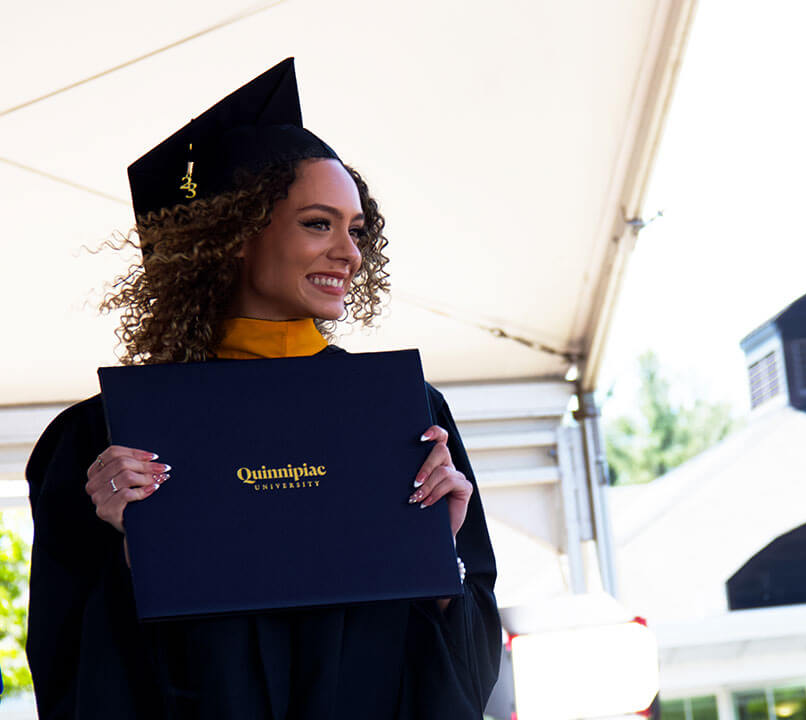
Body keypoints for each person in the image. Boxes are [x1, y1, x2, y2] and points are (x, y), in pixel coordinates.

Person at [24, 58, 501, 719]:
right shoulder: (102, 440)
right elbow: (67, 674)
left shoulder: (404, 416)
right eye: (318, 223)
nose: (350, 253)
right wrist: (130, 551)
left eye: (355, 229)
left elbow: (470, 674)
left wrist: (441, 564)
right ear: (235, 235)